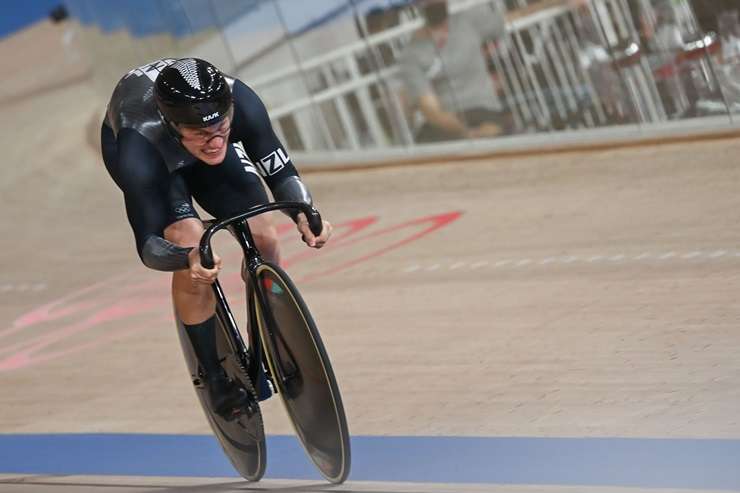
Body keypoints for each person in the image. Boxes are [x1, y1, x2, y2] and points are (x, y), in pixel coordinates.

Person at [100, 58, 332, 418]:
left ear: (229, 110)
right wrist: (186, 259)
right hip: (156, 156)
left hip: (187, 136)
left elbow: (281, 172)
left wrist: (305, 212)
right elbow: (148, 247)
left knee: (264, 232)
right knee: (191, 240)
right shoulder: (138, 146)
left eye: (221, 126)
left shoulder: (243, 105)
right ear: (172, 125)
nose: (213, 141)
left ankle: (271, 332)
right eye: (198, 133)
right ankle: (214, 375)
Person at [398, 0, 585, 143]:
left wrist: (560, 1)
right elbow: (431, 110)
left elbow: (518, 15)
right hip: (449, 124)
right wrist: (468, 133)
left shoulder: (466, 23)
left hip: (484, 111)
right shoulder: (412, 54)